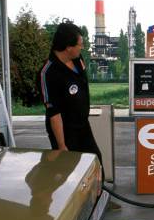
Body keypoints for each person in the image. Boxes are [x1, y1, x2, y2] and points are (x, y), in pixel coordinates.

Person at [38, 21, 120, 210]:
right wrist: (62, 145)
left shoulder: (77, 59)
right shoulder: (49, 73)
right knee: (69, 168)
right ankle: (66, 204)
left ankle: (100, 200)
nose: (82, 47)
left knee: (95, 159)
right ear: (68, 47)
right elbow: (54, 113)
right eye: (79, 44)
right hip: (64, 129)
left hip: (82, 124)